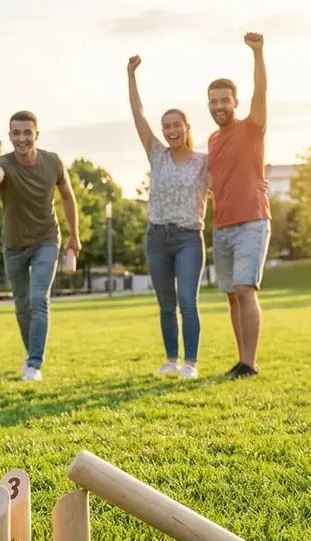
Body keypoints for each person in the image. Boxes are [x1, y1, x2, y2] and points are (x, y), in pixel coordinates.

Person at [0, 111, 80, 382]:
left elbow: (68, 198)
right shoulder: (3, 163)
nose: (22, 138)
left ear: (37, 134)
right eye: (16, 133)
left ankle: (35, 364)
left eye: (27, 132)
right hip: (13, 244)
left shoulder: (53, 162)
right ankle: (31, 355)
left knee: (39, 299)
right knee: (22, 305)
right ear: (10, 136)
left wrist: (74, 235)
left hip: (46, 239)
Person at [127, 55, 210, 380]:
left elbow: (225, 182)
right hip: (157, 237)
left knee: (187, 299)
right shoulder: (156, 153)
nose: (171, 131)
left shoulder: (203, 162)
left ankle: (190, 363)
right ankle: (171, 359)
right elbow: (138, 114)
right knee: (165, 303)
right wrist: (131, 76)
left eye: (177, 125)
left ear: (187, 128)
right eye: (167, 127)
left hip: (189, 237)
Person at [207, 32, 271, 379]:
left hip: (252, 221)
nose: (219, 106)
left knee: (246, 289)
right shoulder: (213, 140)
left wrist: (258, 55)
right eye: (213, 101)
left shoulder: (251, 128)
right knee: (232, 295)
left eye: (225, 100)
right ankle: (241, 359)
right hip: (222, 226)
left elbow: (261, 93)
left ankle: (250, 363)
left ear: (235, 101)